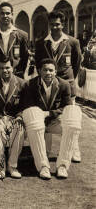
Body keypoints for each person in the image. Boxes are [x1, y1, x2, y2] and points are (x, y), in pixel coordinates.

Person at [20, 58, 82, 179]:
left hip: (53, 120)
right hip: (35, 122)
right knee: (34, 114)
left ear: (55, 72)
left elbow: (67, 107)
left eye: (51, 70)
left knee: (73, 113)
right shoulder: (30, 84)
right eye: (45, 70)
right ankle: (43, 167)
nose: (48, 73)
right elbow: (28, 107)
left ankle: (63, 166)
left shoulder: (64, 84)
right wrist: (41, 115)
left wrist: (49, 113)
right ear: (39, 71)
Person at [35, 11, 82, 162]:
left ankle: (74, 150)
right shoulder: (41, 42)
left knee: (70, 119)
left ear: (63, 24)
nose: (54, 27)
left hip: (66, 87)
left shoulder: (72, 42)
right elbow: (38, 64)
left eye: (57, 24)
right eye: (52, 24)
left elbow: (76, 63)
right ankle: (46, 150)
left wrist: (67, 82)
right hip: (47, 86)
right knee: (46, 116)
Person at [0, 56, 25, 179]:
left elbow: (25, 104)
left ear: (12, 68)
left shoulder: (21, 83)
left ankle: (12, 166)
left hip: (14, 118)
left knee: (19, 127)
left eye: (8, 67)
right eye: (2, 68)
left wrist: (19, 117)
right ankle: (1, 165)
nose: (5, 71)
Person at [0, 2, 29, 79]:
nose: (5, 16)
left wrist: (19, 73)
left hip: (15, 77)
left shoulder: (22, 35)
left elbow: (24, 58)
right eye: (2, 13)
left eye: (8, 13)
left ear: (12, 14)